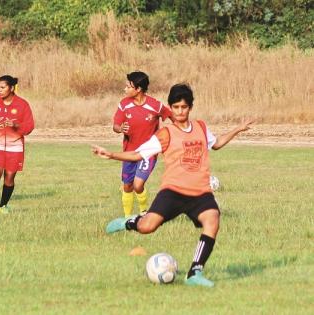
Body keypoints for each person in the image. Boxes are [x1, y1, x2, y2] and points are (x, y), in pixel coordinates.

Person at [93, 83, 254, 287]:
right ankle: (130, 222)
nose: (179, 111)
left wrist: (238, 129)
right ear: (171, 107)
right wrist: (112, 154)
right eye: (176, 107)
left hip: (200, 193)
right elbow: (137, 154)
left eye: (183, 107)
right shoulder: (166, 134)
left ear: (190, 108)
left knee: (212, 219)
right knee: (146, 227)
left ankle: (195, 272)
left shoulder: (201, 127)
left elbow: (217, 144)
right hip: (173, 192)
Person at [113, 71, 173, 218]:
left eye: (128, 86)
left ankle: (143, 212)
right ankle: (127, 218)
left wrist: (178, 133)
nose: (125, 89)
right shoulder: (124, 105)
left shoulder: (155, 106)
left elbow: (172, 116)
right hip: (129, 152)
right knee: (127, 186)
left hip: (148, 152)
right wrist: (120, 129)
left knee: (138, 185)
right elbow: (115, 126)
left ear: (138, 89)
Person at [0, 75, 35, 214]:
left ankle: (3, 205)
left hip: (15, 146)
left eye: (2, 87)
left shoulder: (22, 104)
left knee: (9, 177)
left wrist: (16, 125)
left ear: (11, 88)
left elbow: (29, 126)